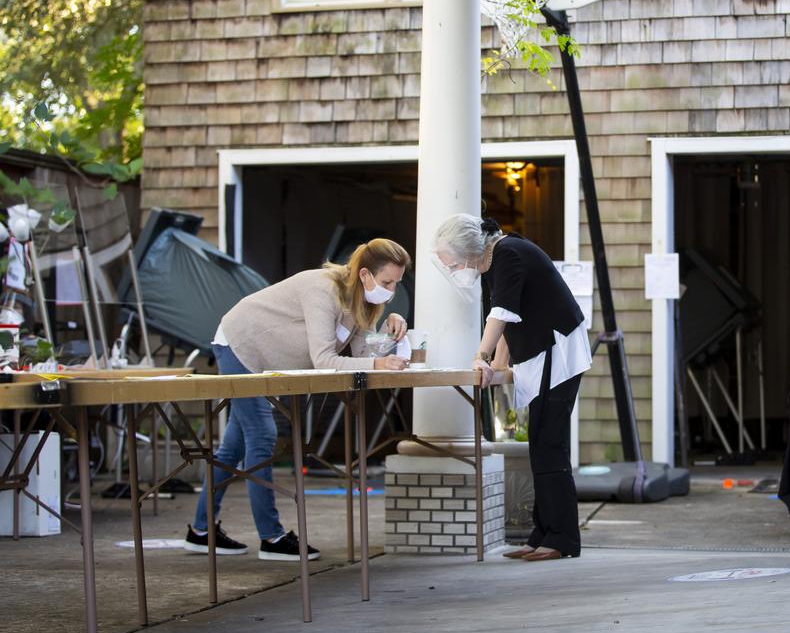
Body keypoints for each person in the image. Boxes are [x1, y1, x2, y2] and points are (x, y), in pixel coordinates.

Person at [183, 238, 411, 561]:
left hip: (261, 355)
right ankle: (272, 538)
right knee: (261, 436)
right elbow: (324, 359)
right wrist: (377, 362)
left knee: (233, 447)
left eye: (396, 284)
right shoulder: (322, 289)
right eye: (387, 282)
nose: (390, 290)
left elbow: (362, 354)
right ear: (364, 275)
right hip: (240, 345)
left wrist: (391, 330)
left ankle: (200, 531)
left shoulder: (366, 303)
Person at [433, 214, 591, 561]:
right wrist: (496, 364)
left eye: (455, 263)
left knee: (549, 444)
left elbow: (501, 313)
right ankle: (542, 534)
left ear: (471, 253)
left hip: (558, 351)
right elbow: (510, 316)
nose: (456, 270)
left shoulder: (509, 254)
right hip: (544, 352)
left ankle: (562, 539)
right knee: (541, 444)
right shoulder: (497, 259)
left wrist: (481, 354)